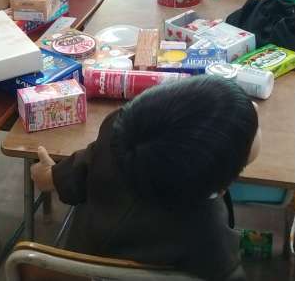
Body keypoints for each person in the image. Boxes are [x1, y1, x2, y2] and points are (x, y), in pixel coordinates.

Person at [31, 75, 261, 281]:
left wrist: (49, 176)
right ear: (223, 184)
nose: (255, 107)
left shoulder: (118, 137)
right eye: (253, 127)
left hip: (83, 262)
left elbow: (78, 173)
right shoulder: (210, 236)